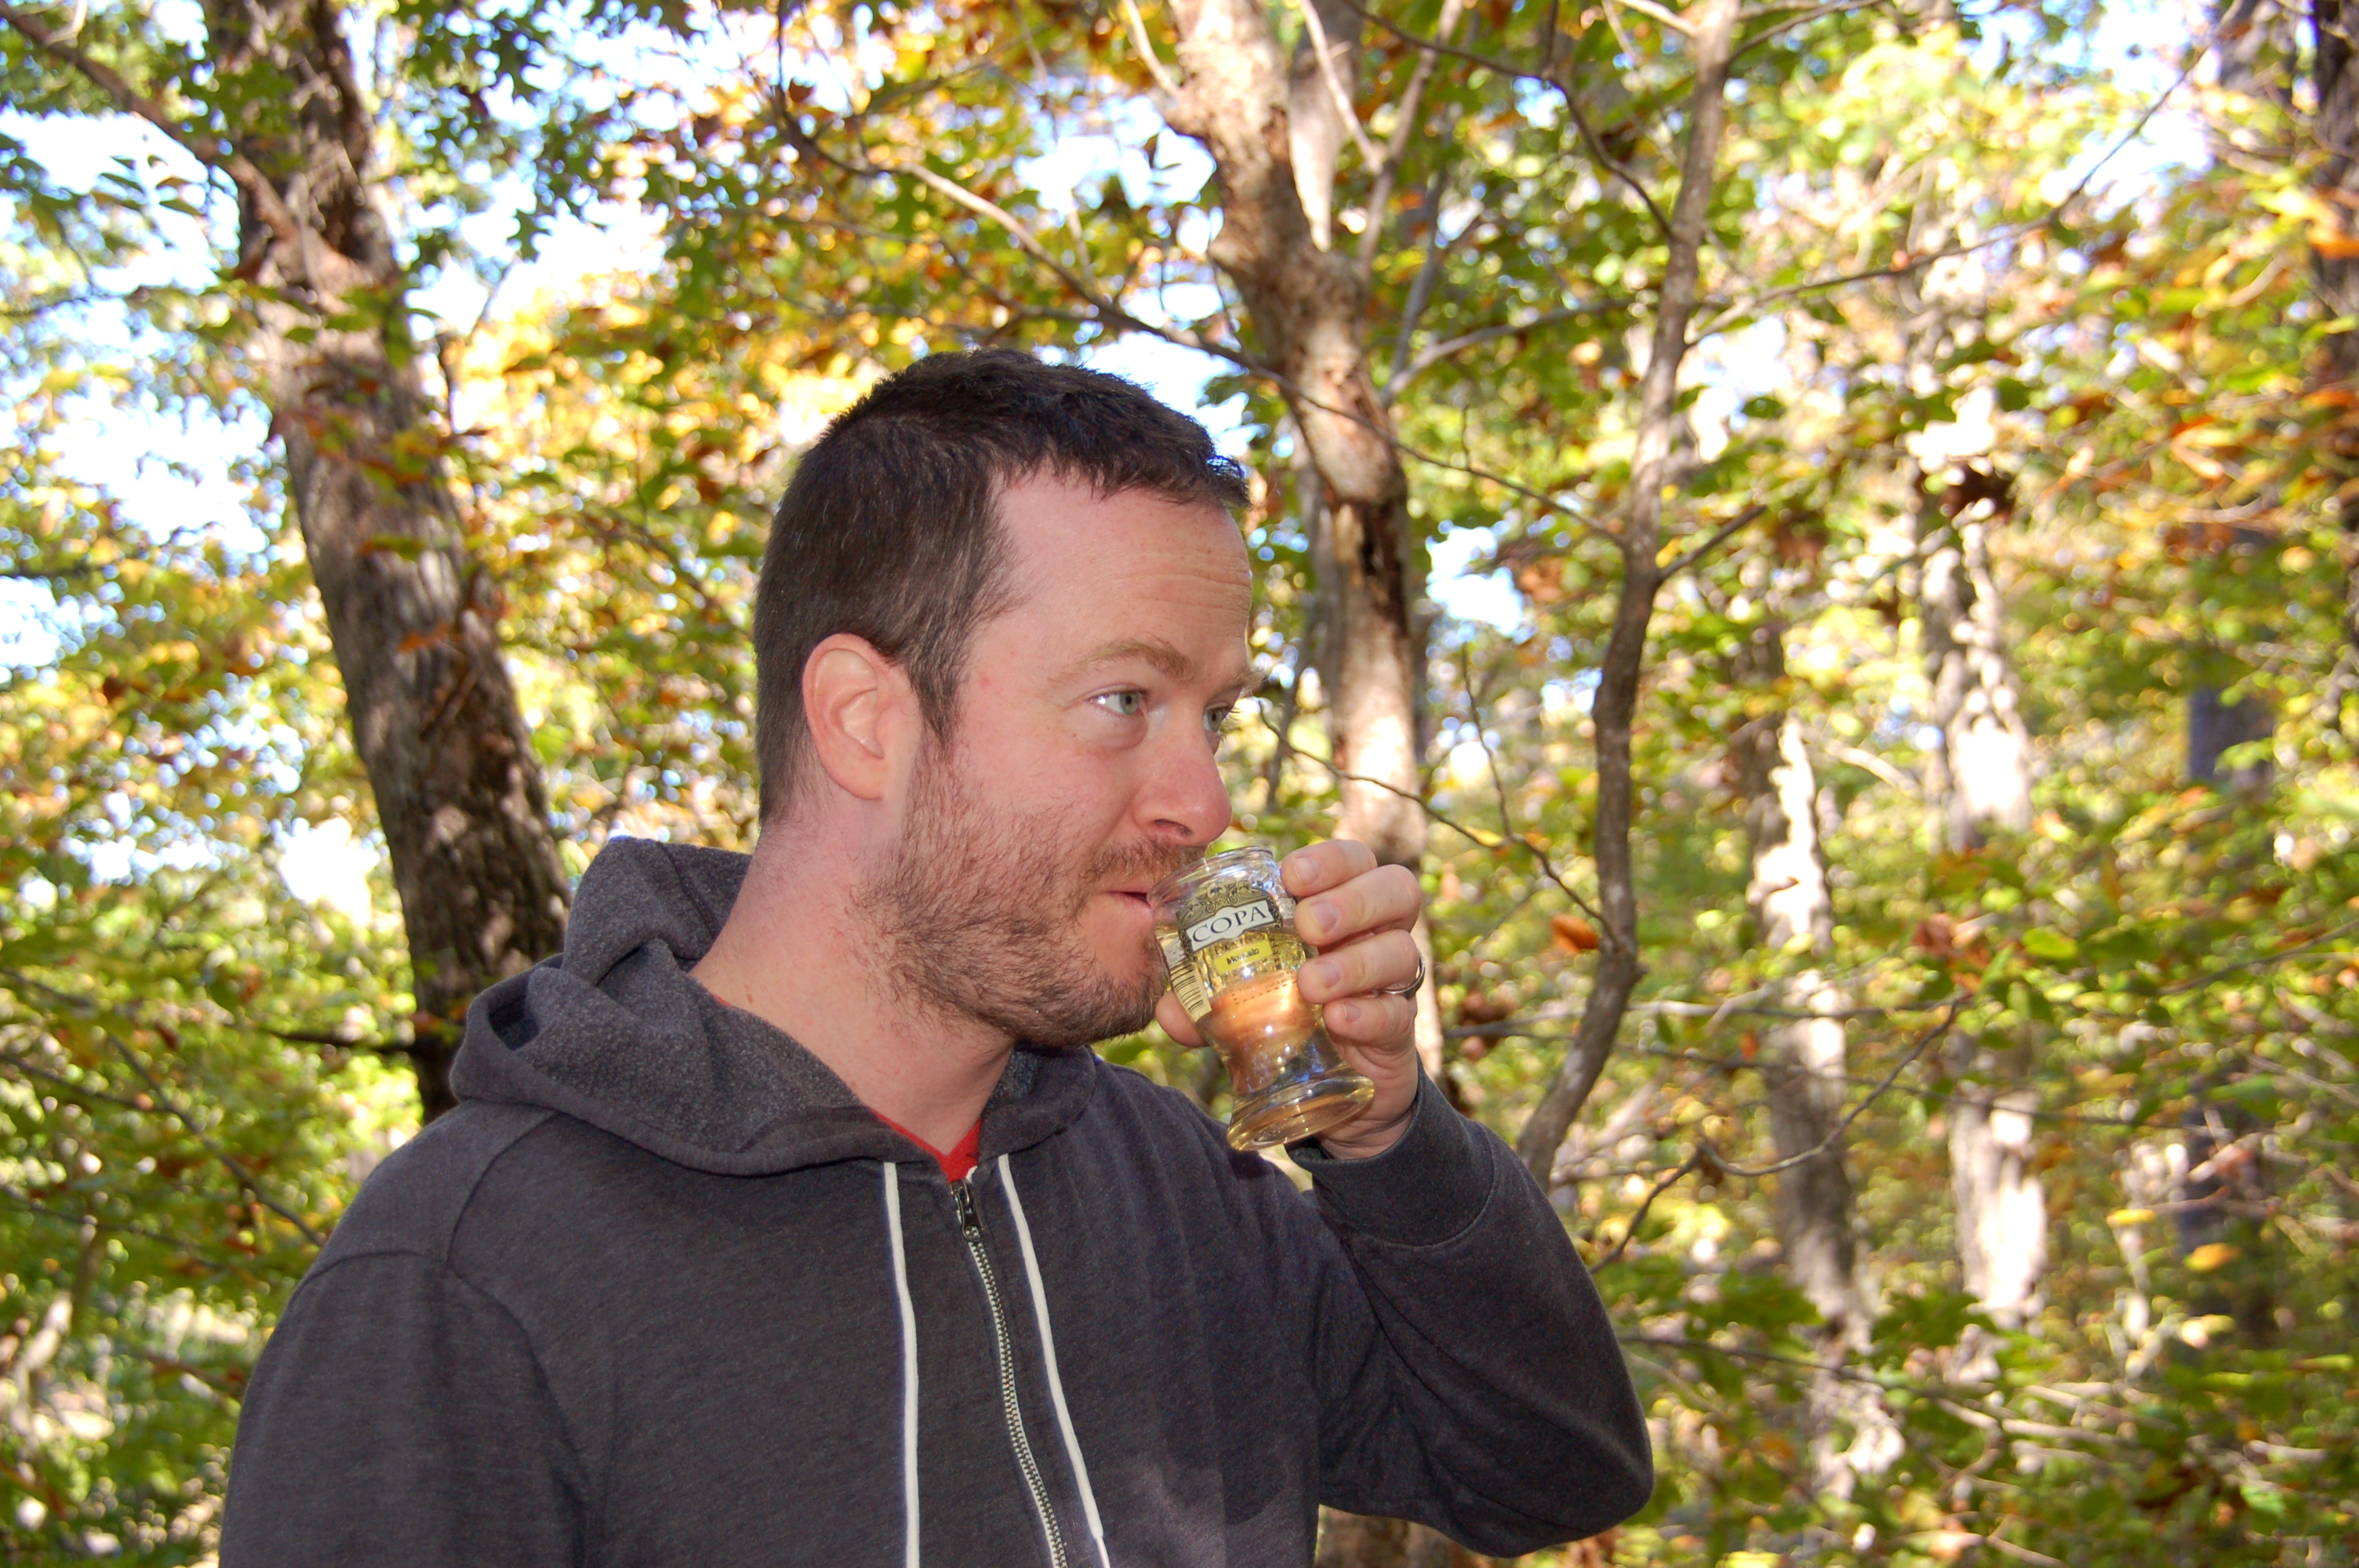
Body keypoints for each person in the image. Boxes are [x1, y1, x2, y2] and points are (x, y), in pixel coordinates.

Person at [220, 350, 1651, 1566]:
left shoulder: (1182, 1189)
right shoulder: (468, 1271)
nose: (1204, 802)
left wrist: (1389, 1138)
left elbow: (1553, 1475)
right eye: (1123, 698)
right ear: (866, 721)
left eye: (1214, 715)